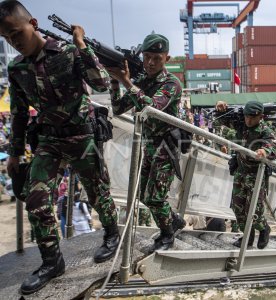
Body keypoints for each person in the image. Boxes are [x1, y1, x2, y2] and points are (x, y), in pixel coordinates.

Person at [0, 1, 119, 294]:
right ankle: (52, 261)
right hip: (49, 141)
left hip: (81, 136)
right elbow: (17, 114)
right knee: (36, 200)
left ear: (34, 24)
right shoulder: (17, 68)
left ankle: (113, 235)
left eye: (16, 34)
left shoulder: (67, 52)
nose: (14, 42)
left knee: (97, 192)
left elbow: (101, 83)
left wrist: (82, 45)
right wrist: (15, 153)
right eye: (6, 39)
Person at [107, 33, 186, 252]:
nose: (150, 63)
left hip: (166, 147)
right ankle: (174, 220)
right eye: (147, 57)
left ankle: (168, 235)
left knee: (156, 198)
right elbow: (117, 108)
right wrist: (115, 80)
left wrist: (126, 81)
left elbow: (153, 107)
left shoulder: (172, 83)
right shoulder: (142, 80)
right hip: (149, 146)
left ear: (166, 59)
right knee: (144, 193)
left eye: (157, 58)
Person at [215, 100, 276, 249]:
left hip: (256, 176)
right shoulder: (241, 124)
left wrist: (264, 151)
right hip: (240, 172)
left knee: (254, 210)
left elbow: (273, 148)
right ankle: (247, 237)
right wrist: (222, 109)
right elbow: (224, 120)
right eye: (246, 116)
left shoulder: (264, 131)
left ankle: (264, 229)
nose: (248, 120)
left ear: (260, 116)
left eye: (252, 117)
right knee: (237, 208)